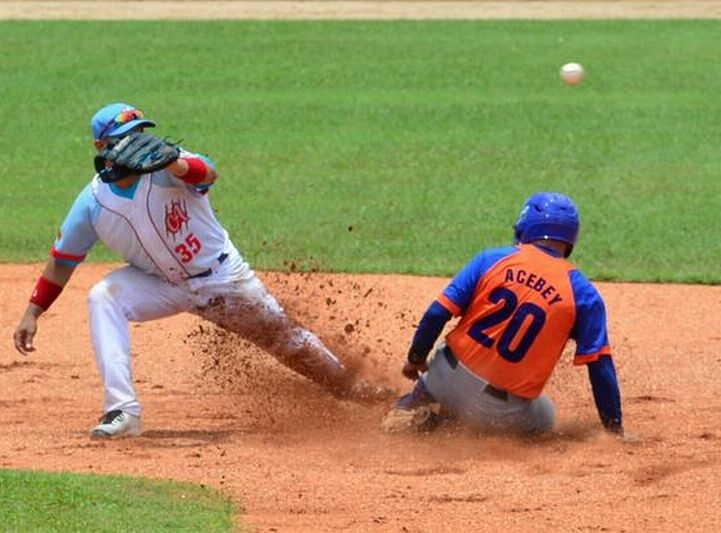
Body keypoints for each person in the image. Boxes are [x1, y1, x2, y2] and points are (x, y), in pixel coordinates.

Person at [13, 102, 384, 438]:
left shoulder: (170, 168)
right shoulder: (92, 204)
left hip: (222, 279)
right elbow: (63, 260)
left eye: (139, 133)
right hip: (161, 285)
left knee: (286, 340)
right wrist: (34, 312)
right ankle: (122, 412)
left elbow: (207, 173)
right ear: (102, 148)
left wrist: (174, 162)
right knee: (103, 296)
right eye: (125, 138)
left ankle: (359, 392)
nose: (137, 143)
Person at [381, 192, 624, 437]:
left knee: (417, 399)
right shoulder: (583, 294)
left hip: (446, 377)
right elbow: (600, 366)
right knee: (546, 415)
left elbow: (436, 314)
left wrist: (416, 358)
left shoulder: (492, 259)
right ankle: (457, 430)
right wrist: (615, 430)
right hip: (501, 411)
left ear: (526, 226)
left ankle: (411, 410)